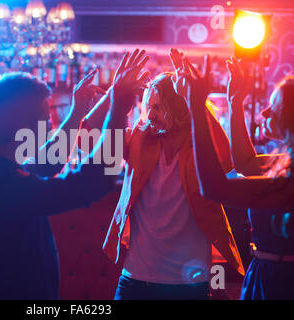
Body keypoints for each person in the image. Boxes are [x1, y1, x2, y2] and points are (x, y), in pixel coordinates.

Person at [0, 56, 148, 299]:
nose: (49, 125)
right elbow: (94, 180)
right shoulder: (3, 188)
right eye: (45, 119)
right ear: (23, 125)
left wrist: (79, 110)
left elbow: (49, 160)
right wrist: (118, 107)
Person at [97, 49, 245, 300]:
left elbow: (227, 161)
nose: (150, 114)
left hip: (187, 285)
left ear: (178, 106)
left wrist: (194, 100)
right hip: (135, 279)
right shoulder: (139, 138)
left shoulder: (200, 146)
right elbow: (98, 151)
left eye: (158, 107)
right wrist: (115, 95)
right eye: (147, 107)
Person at [183, 53, 294, 299]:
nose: (264, 113)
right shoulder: (286, 164)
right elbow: (245, 162)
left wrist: (197, 110)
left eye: (274, 107)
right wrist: (235, 103)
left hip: (281, 282)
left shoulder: (289, 178)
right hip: (268, 272)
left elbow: (214, 188)